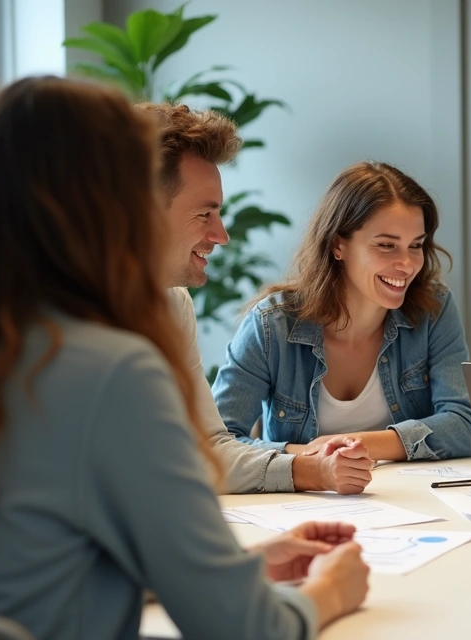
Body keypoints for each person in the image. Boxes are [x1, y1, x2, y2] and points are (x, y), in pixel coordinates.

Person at [0, 77, 368, 640]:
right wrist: (331, 590)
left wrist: (220, 570)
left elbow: (18, 572)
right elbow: (247, 629)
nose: (221, 235)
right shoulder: (111, 369)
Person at [137, 102, 369, 495]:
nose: (221, 235)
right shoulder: (51, 316)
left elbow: (208, 447)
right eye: (205, 214)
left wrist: (315, 470)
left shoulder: (174, 305)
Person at [213, 162, 471, 470]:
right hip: (301, 497)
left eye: (415, 245)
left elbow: (463, 425)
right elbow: (215, 443)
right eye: (387, 245)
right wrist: (313, 461)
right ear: (338, 245)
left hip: (409, 495)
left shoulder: (434, 309)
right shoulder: (271, 325)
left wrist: (352, 445)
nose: (407, 264)